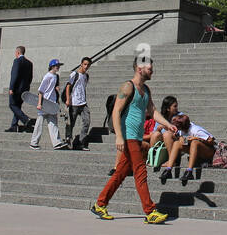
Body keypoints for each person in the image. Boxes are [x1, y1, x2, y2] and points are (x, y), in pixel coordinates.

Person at [91, 56, 175, 225]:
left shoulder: (146, 90)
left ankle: (100, 204)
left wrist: (167, 124)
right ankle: (150, 211)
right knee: (140, 171)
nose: (152, 70)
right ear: (139, 68)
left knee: (120, 173)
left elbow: (152, 111)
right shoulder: (127, 87)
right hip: (128, 136)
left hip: (136, 137)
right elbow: (116, 111)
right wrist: (119, 136)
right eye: (149, 68)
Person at [162, 113, 216, 184]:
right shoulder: (181, 131)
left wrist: (197, 138)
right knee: (177, 143)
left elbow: (212, 141)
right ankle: (168, 169)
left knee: (195, 142)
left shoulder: (196, 130)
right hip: (198, 151)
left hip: (210, 152)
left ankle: (189, 171)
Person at [32, 59, 65, 150]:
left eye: (58, 66)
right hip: (44, 103)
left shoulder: (56, 76)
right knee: (39, 124)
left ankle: (57, 143)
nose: (58, 67)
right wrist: (39, 104)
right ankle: (34, 143)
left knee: (53, 123)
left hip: (52, 103)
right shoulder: (47, 76)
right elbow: (41, 91)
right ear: (52, 66)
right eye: (56, 65)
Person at [63, 57, 93, 150]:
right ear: (81, 64)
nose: (86, 66)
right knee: (71, 123)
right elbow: (68, 86)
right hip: (74, 103)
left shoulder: (86, 76)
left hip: (83, 103)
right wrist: (68, 100)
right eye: (84, 64)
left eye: (88, 65)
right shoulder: (74, 74)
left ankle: (81, 142)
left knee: (87, 121)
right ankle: (68, 141)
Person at [6, 46, 33, 133]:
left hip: (16, 89)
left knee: (12, 105)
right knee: (17, 106)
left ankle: (26, 119)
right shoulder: (29, 63)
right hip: (24, 89)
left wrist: (11, 88)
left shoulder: (17, 61)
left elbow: (14, 75)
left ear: (18, 52)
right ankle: (14, 126)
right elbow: (30, 77)